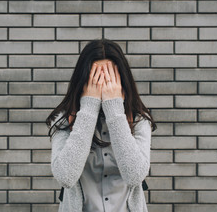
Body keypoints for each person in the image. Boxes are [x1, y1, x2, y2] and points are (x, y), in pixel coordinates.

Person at [45, 39, 157, 212]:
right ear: (83, 80)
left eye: (110, 78)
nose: (103, 84)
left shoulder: (139, 119)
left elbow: (135, 175)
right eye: (96, 78)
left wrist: (114, 108)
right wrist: (89, 107)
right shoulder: (63, 119)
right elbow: (66, 176)